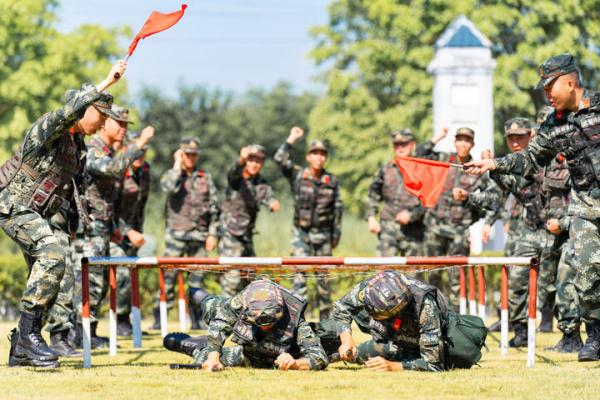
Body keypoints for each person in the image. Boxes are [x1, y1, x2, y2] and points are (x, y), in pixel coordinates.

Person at [464, 53, 600, 361]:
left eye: (550, 87)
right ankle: (595, 335)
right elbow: (529, 160)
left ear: (570, 81)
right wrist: (493, 163)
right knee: (587, 273)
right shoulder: (553, 124)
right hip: (584, 208)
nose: (546, 94)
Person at [1, 60, 126, 368]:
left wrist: (71, 223)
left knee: (50, 276)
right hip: (13, 206)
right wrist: (105, 83)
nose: (102, 125)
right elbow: (67, 113)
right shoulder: (50, 127)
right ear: (84, 109)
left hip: (36, 214)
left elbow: (67, 189)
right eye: (100, 116)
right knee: (53, 255)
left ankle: (22, 346)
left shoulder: (72, 145)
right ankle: (29, 338)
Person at [72, 105, 154, 349]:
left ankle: (90, 333)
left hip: (104, 228)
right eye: (119, 123)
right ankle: (80, 334)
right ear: (104, 122)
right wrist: (139, 144)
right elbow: (115, 168)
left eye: (126, 125)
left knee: (99, 283)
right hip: (90, 228)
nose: (123, 129)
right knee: (89, 282)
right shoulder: (94, 149)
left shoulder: (106, 150)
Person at [417, 127, 499, 309]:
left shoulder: (476, 169)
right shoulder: (443, 160)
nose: (463, 144)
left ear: (472, 144)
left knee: (457, 277)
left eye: (467, 140)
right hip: (435, 227)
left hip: (459, 231)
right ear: (454, 142)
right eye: (459, 140)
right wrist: (437, 137)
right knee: (432, 275)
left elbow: (494, 199)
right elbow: (420, 153)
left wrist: (468, 197)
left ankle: (454, 316)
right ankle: (431, 313)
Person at [177, 279, 329, 371]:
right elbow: (220, 323)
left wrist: (296, 363)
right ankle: (202, 297)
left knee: (203, 356)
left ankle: (198, 346)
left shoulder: (295, 317)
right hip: (249, 346)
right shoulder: (242, 301)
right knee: (212, 308)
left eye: (270, 323)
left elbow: (319, 356)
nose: (265, 327)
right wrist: (213, 357)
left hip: (256, 356)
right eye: (259, 322)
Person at [274, 127, 342, 321]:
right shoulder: (298, 175)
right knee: (299, 281)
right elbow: (279, 159)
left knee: (323, 284)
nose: (319, 158)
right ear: (308, 157)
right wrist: (291, 139)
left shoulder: (332, 181)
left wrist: (336, 236)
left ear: (325, 158)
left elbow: (338, 209)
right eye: (315, 154)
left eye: (322, 154)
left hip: (324, 236)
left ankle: (326, 326)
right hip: (301, 235)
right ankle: (298, 324)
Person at [153, 137, 220, 330]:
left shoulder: (204, 177)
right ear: (180, 154)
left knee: (197, 279)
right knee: (168, 277)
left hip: (199, 236)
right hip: (176, 235)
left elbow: (215, 208)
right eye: (186, 154)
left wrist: (212, 234)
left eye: (193, 154)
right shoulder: (172, 175)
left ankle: (197, 318)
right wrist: (176, 164)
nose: (190, 158)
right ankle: (161, 318)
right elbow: (168, 187)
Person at [334, 271, 448, 372]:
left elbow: (434, 365)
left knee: (411, 357)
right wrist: (346, 339)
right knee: (356, 354)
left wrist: (394, 366)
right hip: (395, 341)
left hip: (420, 342)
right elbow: (341, 307)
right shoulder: (371, 289)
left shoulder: (426, 306)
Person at [217, 145, 280, 298]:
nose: (254, 164)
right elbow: (232, 173)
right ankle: (224, 318)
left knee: (250, 279)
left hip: (247, 236)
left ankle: (244, 318)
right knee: (231, 280)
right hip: (230, 234)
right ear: (246, 161)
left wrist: (273, 202)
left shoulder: (261, 182)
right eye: (251, 160)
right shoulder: (237, 178)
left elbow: (268, 195)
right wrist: (241, 159)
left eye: (258, 161)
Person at [110, 129, 152, 336]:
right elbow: (108, 207)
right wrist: (127, 231)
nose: (140, 155)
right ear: (127, 149)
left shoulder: (145, 171)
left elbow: (141, 205)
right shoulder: (117, 170)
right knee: (122, 275)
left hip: (133, 232)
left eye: (144, 150)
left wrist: (138, 232)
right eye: (137, 150)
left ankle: (126, 321)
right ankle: (118, 320)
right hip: (114, 231)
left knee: (131, 274)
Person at [365, 129, 426, 256]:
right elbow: (373, 195)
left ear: (412, 145)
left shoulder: (422, 170)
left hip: (413, 232)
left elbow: (430, 201)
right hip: (388, 228)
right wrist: (371, 217)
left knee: (413, 275)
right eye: (397, 145)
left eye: (404, 144)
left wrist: (412, 215)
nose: (400, 148)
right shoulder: (385, 169)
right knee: (385, 273)